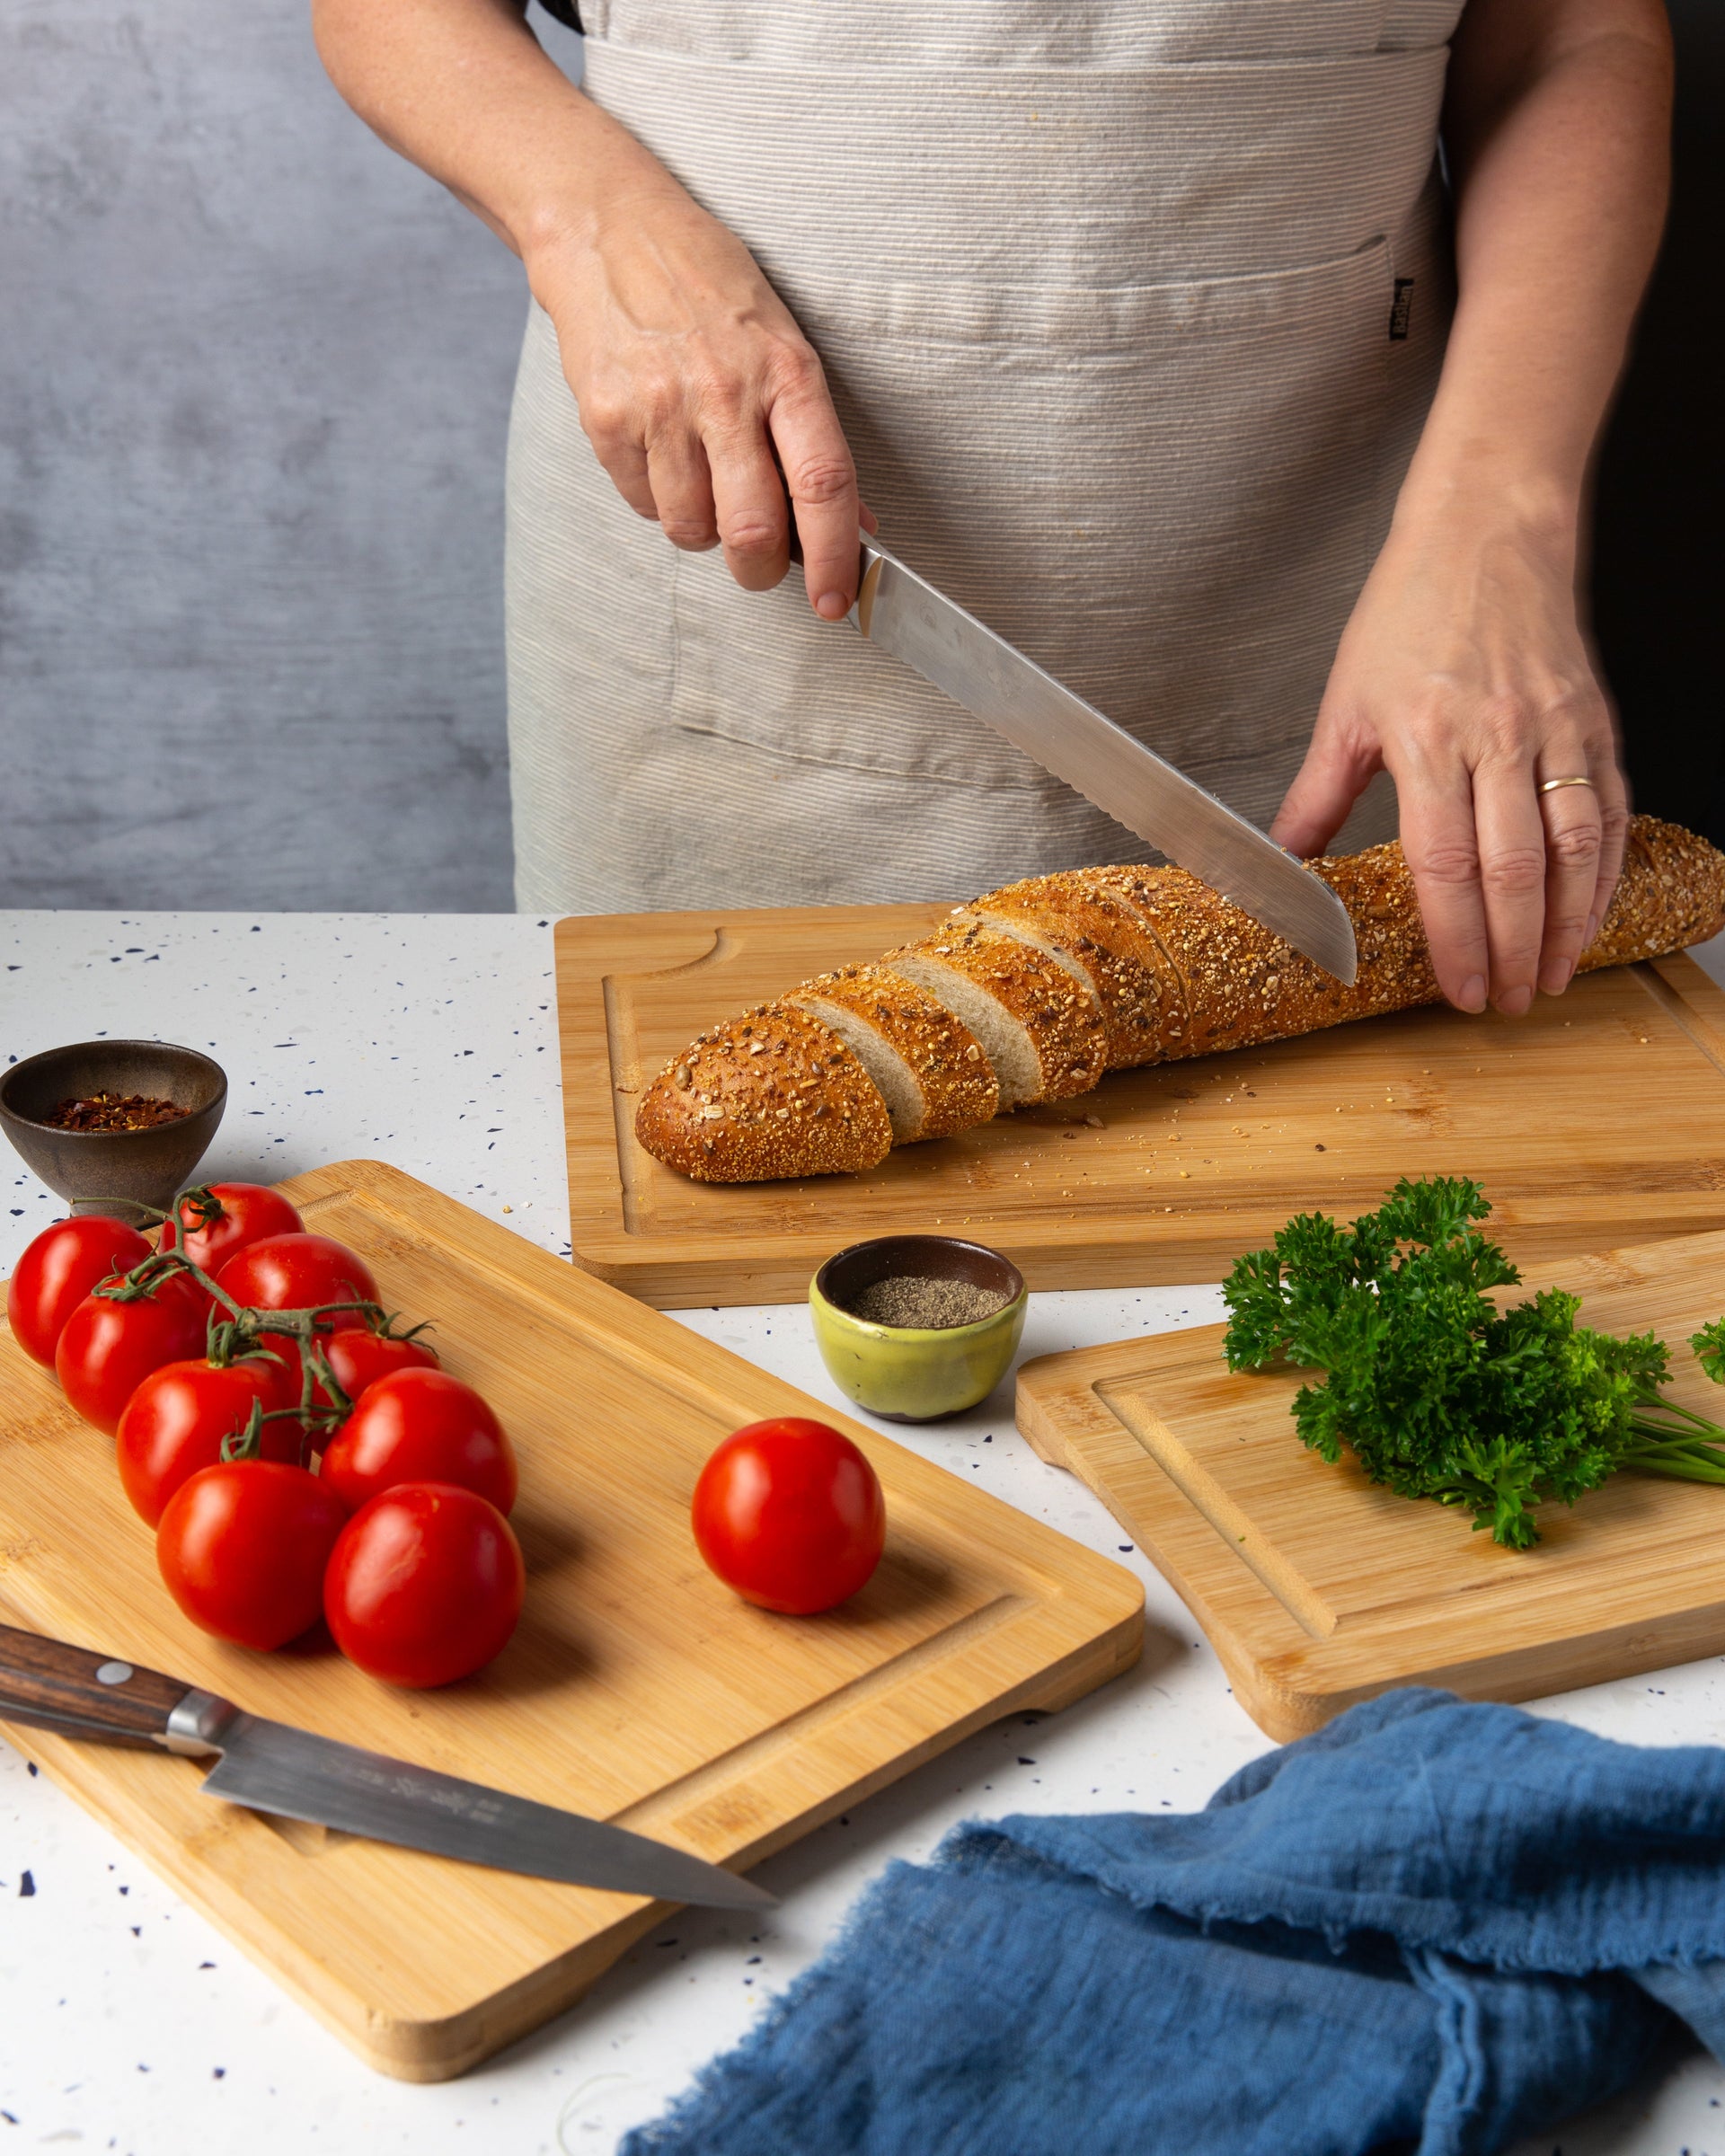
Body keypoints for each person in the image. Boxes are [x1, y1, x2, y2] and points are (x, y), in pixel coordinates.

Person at [314, 0, 1671, 1020]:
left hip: (1333, 621)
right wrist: (590, 222)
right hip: (725, 645)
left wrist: (1500, 527)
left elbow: (1571, 33)